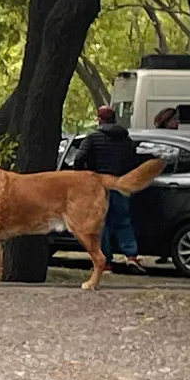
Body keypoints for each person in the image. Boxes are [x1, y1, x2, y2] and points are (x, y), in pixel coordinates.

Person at [72, 106, 144, 273]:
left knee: (100, 223)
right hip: (119, 184)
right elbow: (134, 161)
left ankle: (105, 261)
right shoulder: (126, 140)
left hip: (98, 186)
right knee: (123, 220)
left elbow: (79, 158)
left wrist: (82, 175)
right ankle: (131, 256)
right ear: (115, 119)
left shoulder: (93, 138)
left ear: (99, 119)